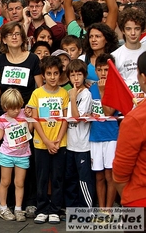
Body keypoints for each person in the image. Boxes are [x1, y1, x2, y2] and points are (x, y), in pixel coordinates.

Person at [27, 56, 69, 224]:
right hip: (41, 143)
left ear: (60, 74)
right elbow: (35, 120)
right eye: (49, 73)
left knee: (58, 177)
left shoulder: (64, 93)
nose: (52, 77)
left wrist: (57, 140)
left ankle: (55, 209)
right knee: (42, 177)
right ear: (43, 75)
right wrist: (46, 141)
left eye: (56, 73)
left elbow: (66, 119)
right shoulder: (37, 93)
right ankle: (42, 208)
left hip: (61, 143)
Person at [0, 89, 32, 222]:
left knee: (19, 183)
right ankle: (3, 207)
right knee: (5, 182)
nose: (16, 111)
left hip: (23, 154)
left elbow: (30, 131)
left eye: (18, 107)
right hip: (6, 154)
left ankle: (18, 209)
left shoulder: (24, 114)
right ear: (5, 107)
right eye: (12, 108)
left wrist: (30, 117)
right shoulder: (2, 119)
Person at [113, 51, 146, 218]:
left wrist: (129, 195)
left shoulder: (135, 119)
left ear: (142, 77)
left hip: (139, 201)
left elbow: (120, 172)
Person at [89, 53, 118, 209]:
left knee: (110, 175)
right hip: (95, 136)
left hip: (111, 136)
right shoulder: (91, 89)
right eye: (100, 70)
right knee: (99, 175)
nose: (103, 73)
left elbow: (109, 112)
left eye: (106, 70)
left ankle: (108, 208)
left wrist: (102, 92)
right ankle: (101, 208)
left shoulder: (115, 88)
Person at [64, 59, 94, 208]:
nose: (76, 78)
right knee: (70, 178)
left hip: (82, 146)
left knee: (84, 180)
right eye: (73, 75)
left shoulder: (86, 94)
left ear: (84, 76)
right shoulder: (68, 93)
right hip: (70, 144)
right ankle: (71, 208)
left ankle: (86, 209)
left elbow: (76, 119)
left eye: (79, 74)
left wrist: (74, 97)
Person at [113, 8, 146, 103]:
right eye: (128, 29)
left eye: (137, 29)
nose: (133, 33)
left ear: (142, 30)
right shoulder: (115, 56)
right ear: (122, 30)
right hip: (126, 106)